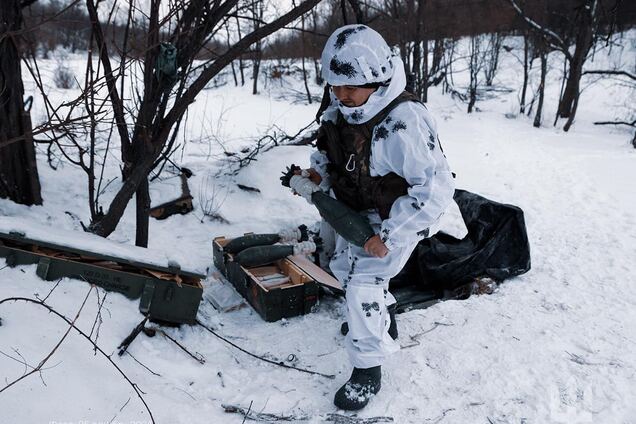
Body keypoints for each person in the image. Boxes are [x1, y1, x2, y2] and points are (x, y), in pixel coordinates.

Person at [288, 24, 466, 410]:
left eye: (350, 87)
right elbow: (330, 154)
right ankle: (382, 315)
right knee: (342, 270)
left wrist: (391, 235)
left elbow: (434, 187)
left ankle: (367, 368)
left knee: (363, 285)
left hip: (394, 218)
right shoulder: (340, 109)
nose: (341, 94)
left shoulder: (403, 122)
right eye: (335, 86)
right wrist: (317, 175)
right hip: (353, 212)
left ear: (377, 79)